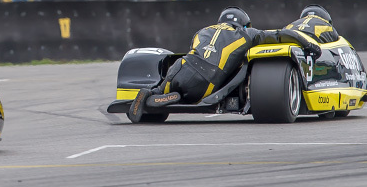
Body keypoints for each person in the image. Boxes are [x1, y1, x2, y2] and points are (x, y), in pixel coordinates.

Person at [129, 7, 322, 119]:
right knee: (198, 91)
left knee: (170, 82)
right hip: (207, 80)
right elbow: (281, 35)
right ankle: (180, 96)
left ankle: (155, 94)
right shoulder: (247, 33)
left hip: (182, 66)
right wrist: (308, 44)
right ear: (245, 24)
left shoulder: (202, 30)